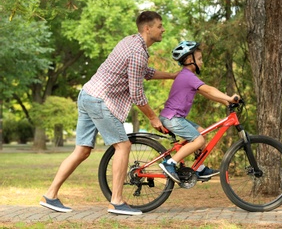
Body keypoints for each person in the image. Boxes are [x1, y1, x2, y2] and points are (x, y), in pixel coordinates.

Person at [39, 11, 177, 216]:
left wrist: (174, 75)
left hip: (88, 95)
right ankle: (117, 201)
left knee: (82, 151)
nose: (163, 29)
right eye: (159, 26)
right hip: (100, 100)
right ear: (148, 28)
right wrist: (153, 117)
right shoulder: (137, 52)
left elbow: (145, 73)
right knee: (123, 146)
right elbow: (136, 93)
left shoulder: (131, 42)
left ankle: (49, 195)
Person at [158, 41, 239, 183]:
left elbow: (205, 93)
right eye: (200, 59)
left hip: (176, 117)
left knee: (202, 133)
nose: (202, 62)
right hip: (172, 118)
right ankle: (169, 163)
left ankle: (198, 168)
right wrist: (229, 97)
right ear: (190, 60)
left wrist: (225, 102)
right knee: (198, 140)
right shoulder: (187, 76)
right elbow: (208, 89)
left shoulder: (187, 76)